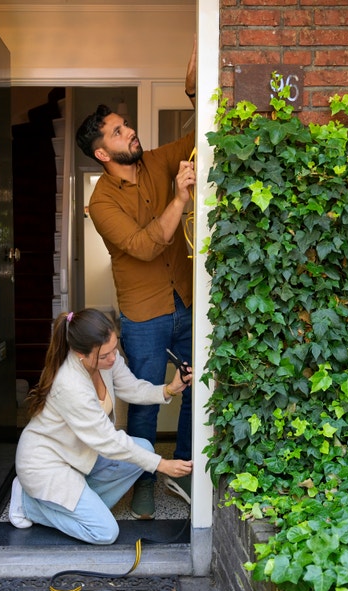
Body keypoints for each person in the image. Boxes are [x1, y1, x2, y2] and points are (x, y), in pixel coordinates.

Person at [74, 41, 197, 519]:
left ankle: (183, 474)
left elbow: (199, 140)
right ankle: (145, 478)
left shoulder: (158, 162)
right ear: (103, 152)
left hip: (186, 300)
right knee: (145, 400)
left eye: (126, 126)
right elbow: (147, 246)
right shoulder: (101, 202)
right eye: (120, 132)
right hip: (144, 313)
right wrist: (179, 201)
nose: (131, 133)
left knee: (195, 387)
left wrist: (194, 92)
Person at [9, 309, 193, 545]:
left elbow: (131, 388)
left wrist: (168, 389)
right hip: (46, 464)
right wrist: (162, 464)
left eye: (115, 348)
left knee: (144, 448)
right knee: (105, 532)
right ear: (80, 354)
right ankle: (28, 502)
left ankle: (71, 502)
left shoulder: (106, 360)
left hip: (79, 456)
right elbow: (108, 441)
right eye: (105, 355)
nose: (114, 358)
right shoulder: (70, 384)